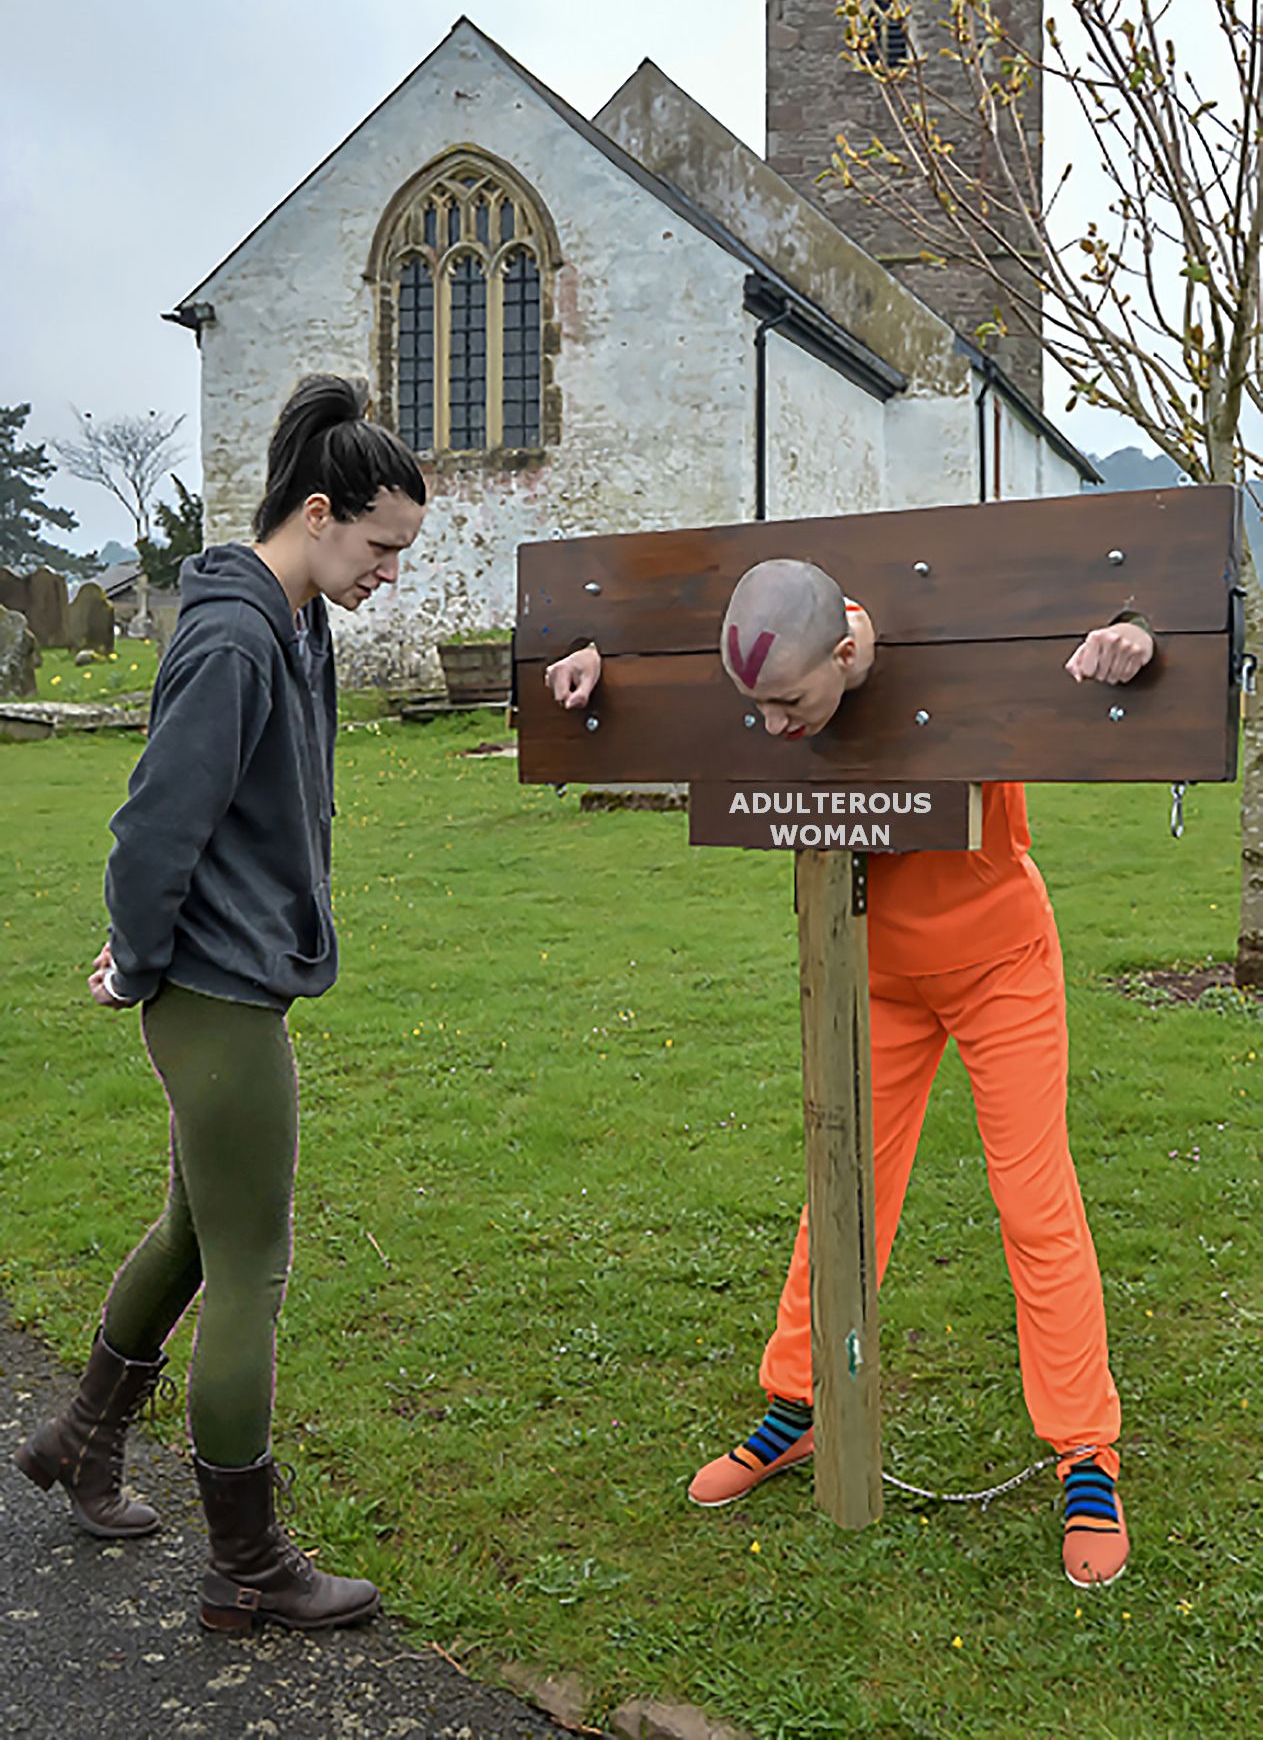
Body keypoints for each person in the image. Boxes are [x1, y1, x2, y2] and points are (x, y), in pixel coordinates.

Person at [546, 557, 1154, 1589]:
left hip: (1001, 960)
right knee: (841, 1194)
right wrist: (600, 658)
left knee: (1032, 1198)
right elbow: (662, 644)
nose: (774, 727)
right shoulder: (775, 661)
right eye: (758, 707)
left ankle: (1085, 1448)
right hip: (870, 965)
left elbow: (1109, 600)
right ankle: (798, 1402)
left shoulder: (948, 642)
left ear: (842, 654)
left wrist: (1134, 626)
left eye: (790, 703)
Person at [16, 375, 427, 1633]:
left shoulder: (292, 621)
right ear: (319, 513)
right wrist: (139, 961)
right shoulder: (238, 636)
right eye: (382, 546)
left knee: (198, 1231)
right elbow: (153, 828)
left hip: (233, 976)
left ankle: (79, 1439)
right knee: (254, 1263)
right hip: (213, 992)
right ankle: (246, 1564)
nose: (392, 572)